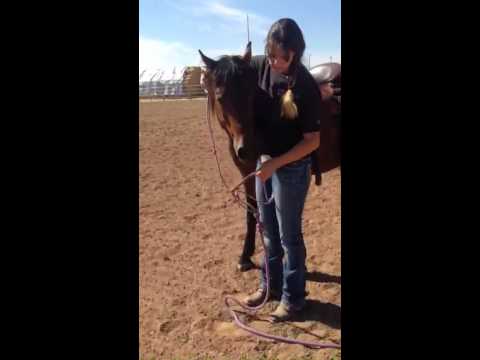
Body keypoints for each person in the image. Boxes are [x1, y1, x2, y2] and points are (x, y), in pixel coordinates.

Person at [243, 18, 322, 322]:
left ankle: (294, 299)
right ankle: (270, 287)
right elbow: (236, 68)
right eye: (271, 54)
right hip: (266, 164)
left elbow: (312, 142)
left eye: (280, 56)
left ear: (294, 53)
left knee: (289, 237)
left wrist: (274, 163)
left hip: (291, 169)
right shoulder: (264, 66)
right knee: (268, 233)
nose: (274, 62)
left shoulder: (304, 87)